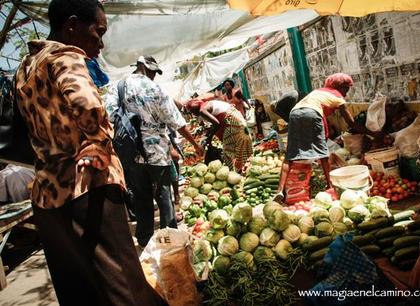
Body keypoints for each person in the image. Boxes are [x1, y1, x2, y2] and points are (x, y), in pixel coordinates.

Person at [14, 1, 166, 305]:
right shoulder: (65, 57)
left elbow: (22, 131)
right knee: (123, 285)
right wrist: (98, 142)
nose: (100, 42)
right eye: (98, 32)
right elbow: (88, 107)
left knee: (81, 290)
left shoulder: (25, 68)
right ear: (72, 26)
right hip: (87, 185)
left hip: (47, 198)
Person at [104, 55, 203, 247]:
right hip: (157, 153)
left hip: (132, 153)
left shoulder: (119, 86)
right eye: (152, 72)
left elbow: (108, 115)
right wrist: (196, 144)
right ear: (144, 67)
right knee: (164, 196)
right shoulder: (156, 89)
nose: (153, 76)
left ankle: (145, 240)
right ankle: (170, 239)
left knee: (141, 198)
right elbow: (177, 121)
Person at [273, 73, 377, 203]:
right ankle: (330, 185)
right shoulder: (338, 98)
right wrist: (374, 134)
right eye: (346, 89)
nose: (346, 93)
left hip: (294, 113)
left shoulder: (318, 92)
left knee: (290, 155)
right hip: (312, 113)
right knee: (323, 154)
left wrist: (325, 135)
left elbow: (321, 118)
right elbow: (352, 124)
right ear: (341, 87)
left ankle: (279, 191)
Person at [185, 98, 252, 173]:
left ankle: (233, 172)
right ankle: (241, 169)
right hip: (238, 121)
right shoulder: (208, 103)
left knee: (228, 151)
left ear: (194, 110)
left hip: (233, 124)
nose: (193, 114)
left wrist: (209, 139)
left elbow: (216, 124)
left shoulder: (202, 111)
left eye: (191, 112)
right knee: (238, 146)